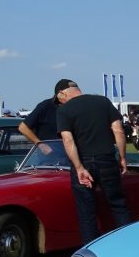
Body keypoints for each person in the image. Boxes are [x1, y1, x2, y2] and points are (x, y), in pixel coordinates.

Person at [55, 80, 132, 244]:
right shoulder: (102, 101)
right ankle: (128, 244)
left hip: (83, 162)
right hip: (107, 159)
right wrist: (123, 157)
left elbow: (68, 141)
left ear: (62, 94)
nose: (59, 103)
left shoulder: (64, 110)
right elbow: (118, 130)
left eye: (58, 99)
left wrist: (79, 167)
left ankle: (90, 253)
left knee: (86, 213)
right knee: (118, 206)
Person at [19, 81, 69, 153]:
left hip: (67, 154)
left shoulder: (71, 108)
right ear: (61, 93)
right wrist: (40, 144)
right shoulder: (46, 106)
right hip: (48, 157)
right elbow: (23, 127)